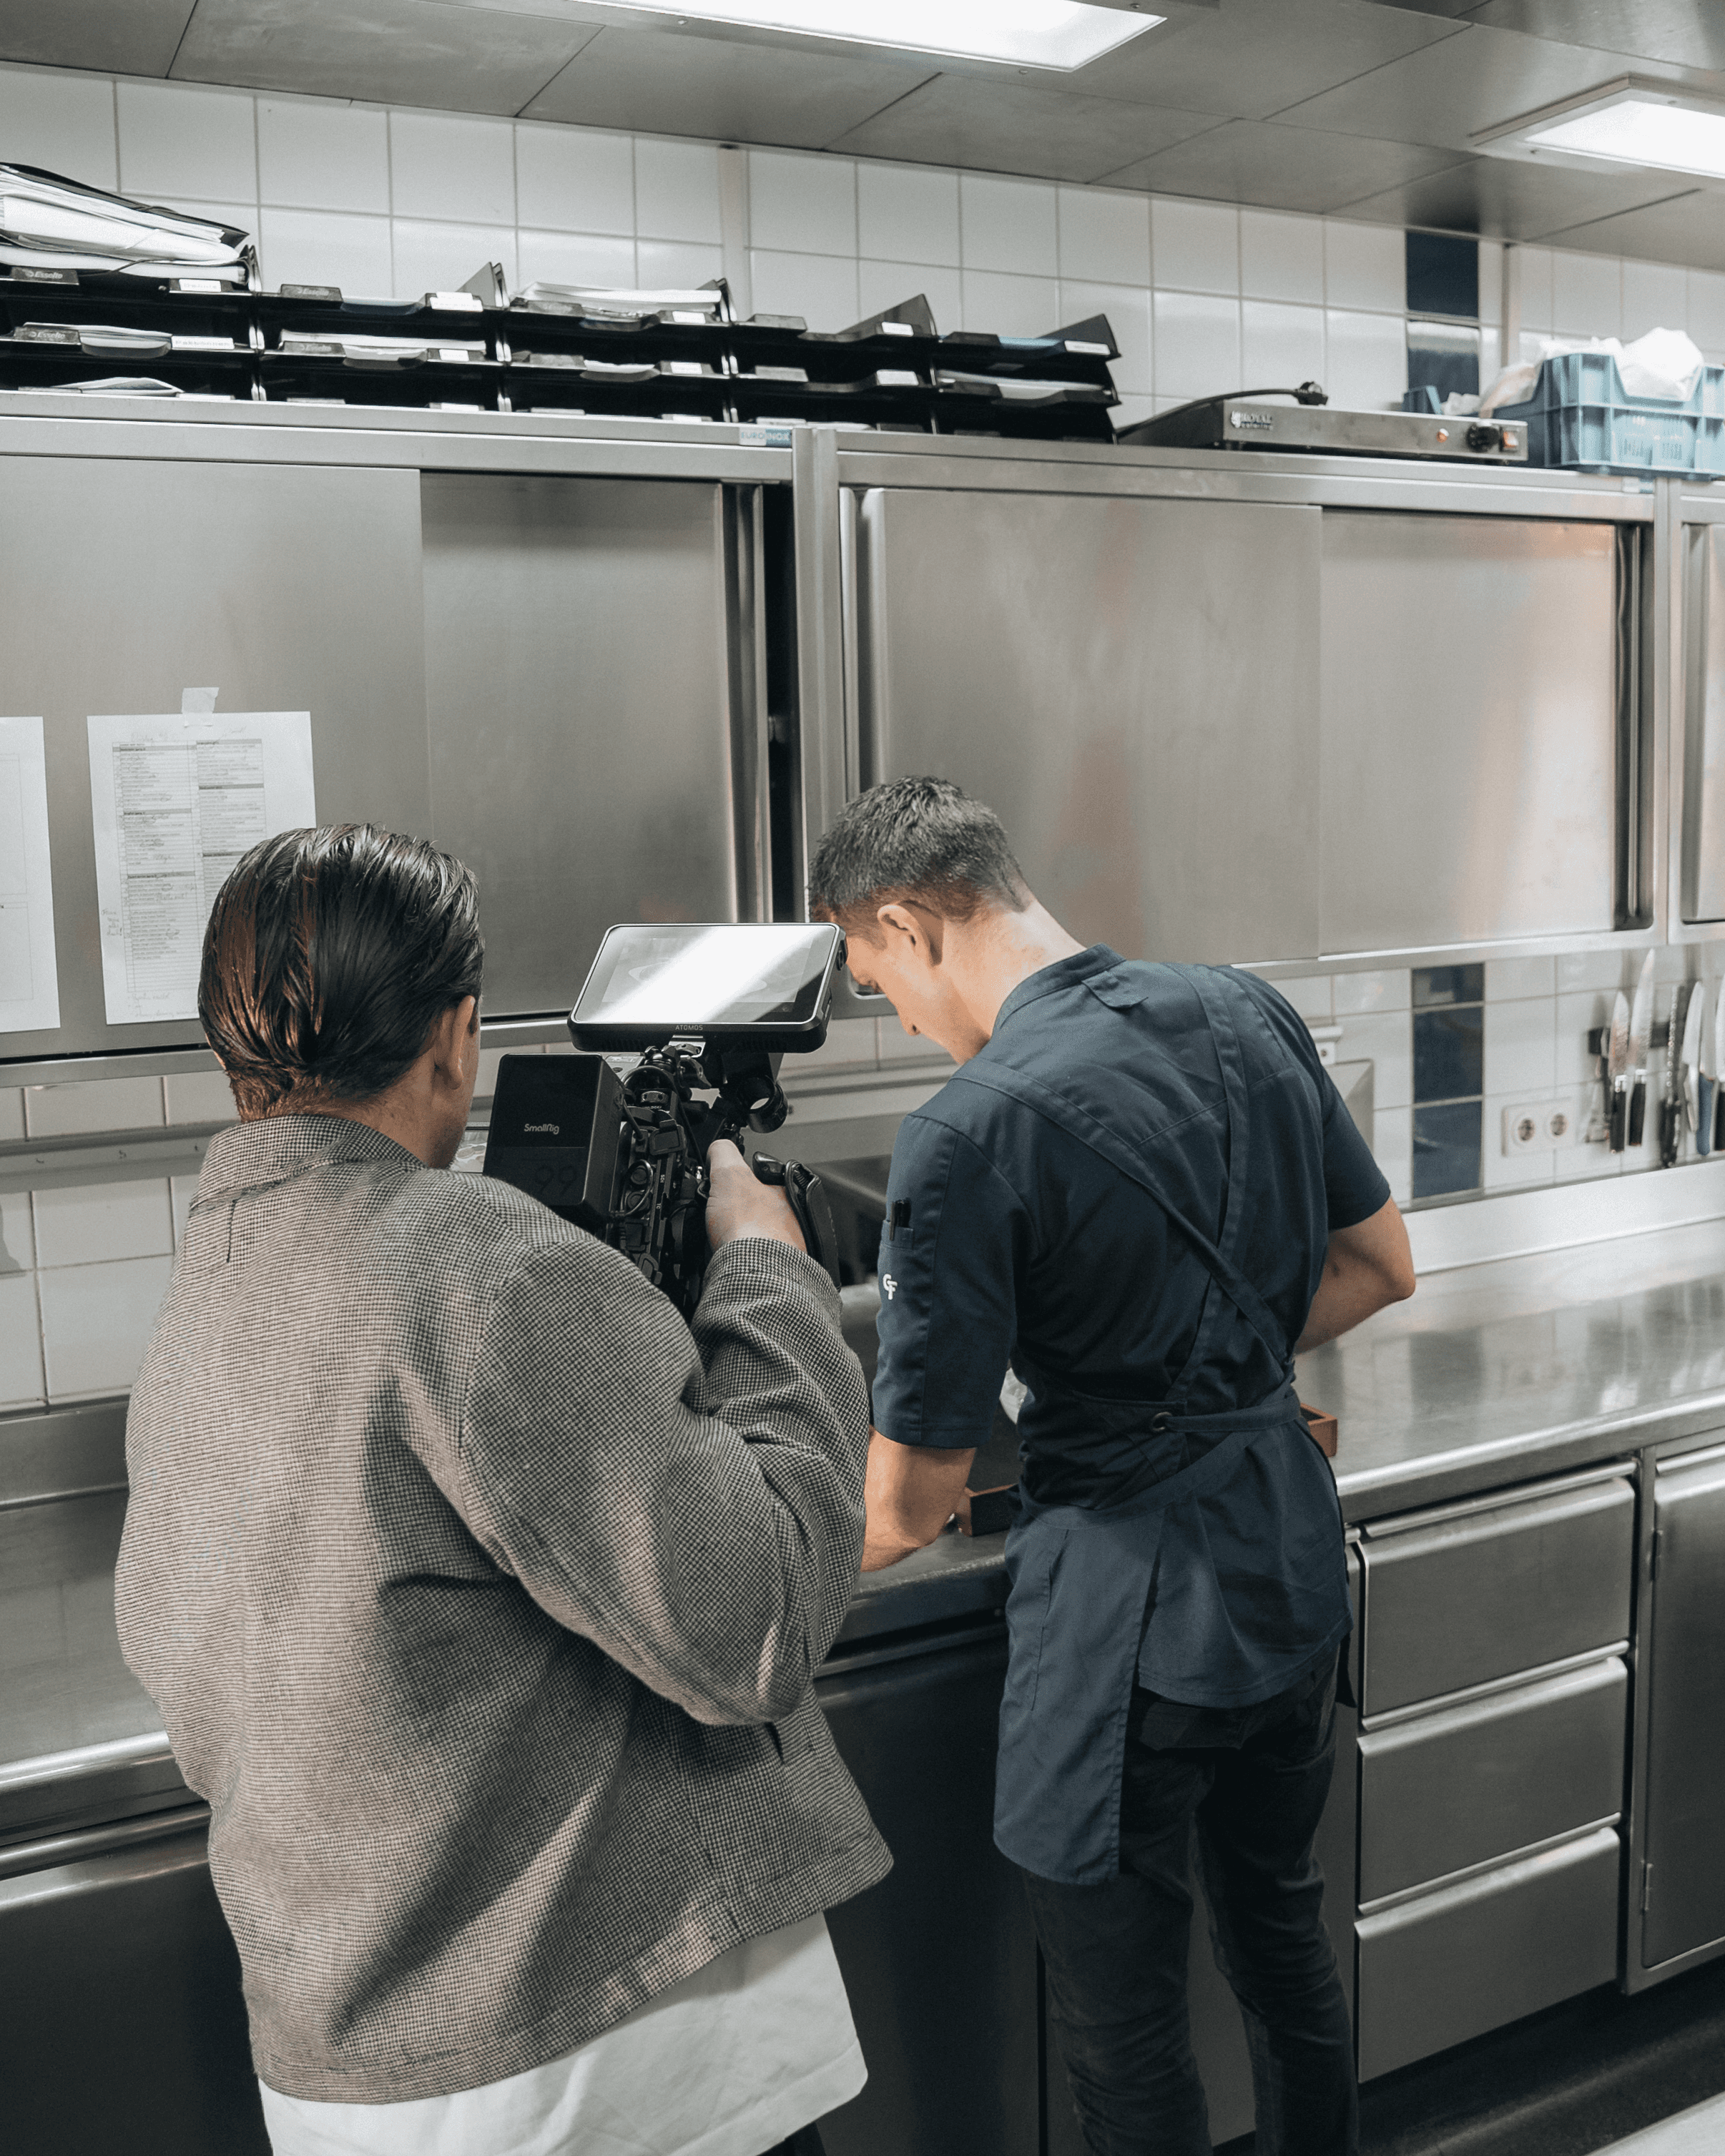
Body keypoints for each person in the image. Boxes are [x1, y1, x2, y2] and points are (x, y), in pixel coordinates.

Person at [115, 825, 889, 2156]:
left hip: (355, 2087)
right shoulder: (478, 1265)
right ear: (457, 1032)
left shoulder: (207, 1289)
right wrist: (766, 1271)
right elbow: (759, 1613)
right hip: (605, 2073)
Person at [807, 777, 1415, 2156]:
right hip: (1287, 1563)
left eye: (876, 977)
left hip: (1128, 1627)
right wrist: (1213, 1377)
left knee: (1128, 2029)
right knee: (1284, 1939)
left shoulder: (966, 1135)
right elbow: (1380, 1265)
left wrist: (737, 1573)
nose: (897, 1016)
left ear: (910, 922)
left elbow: (907, 1502)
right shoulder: (1243, 1011)